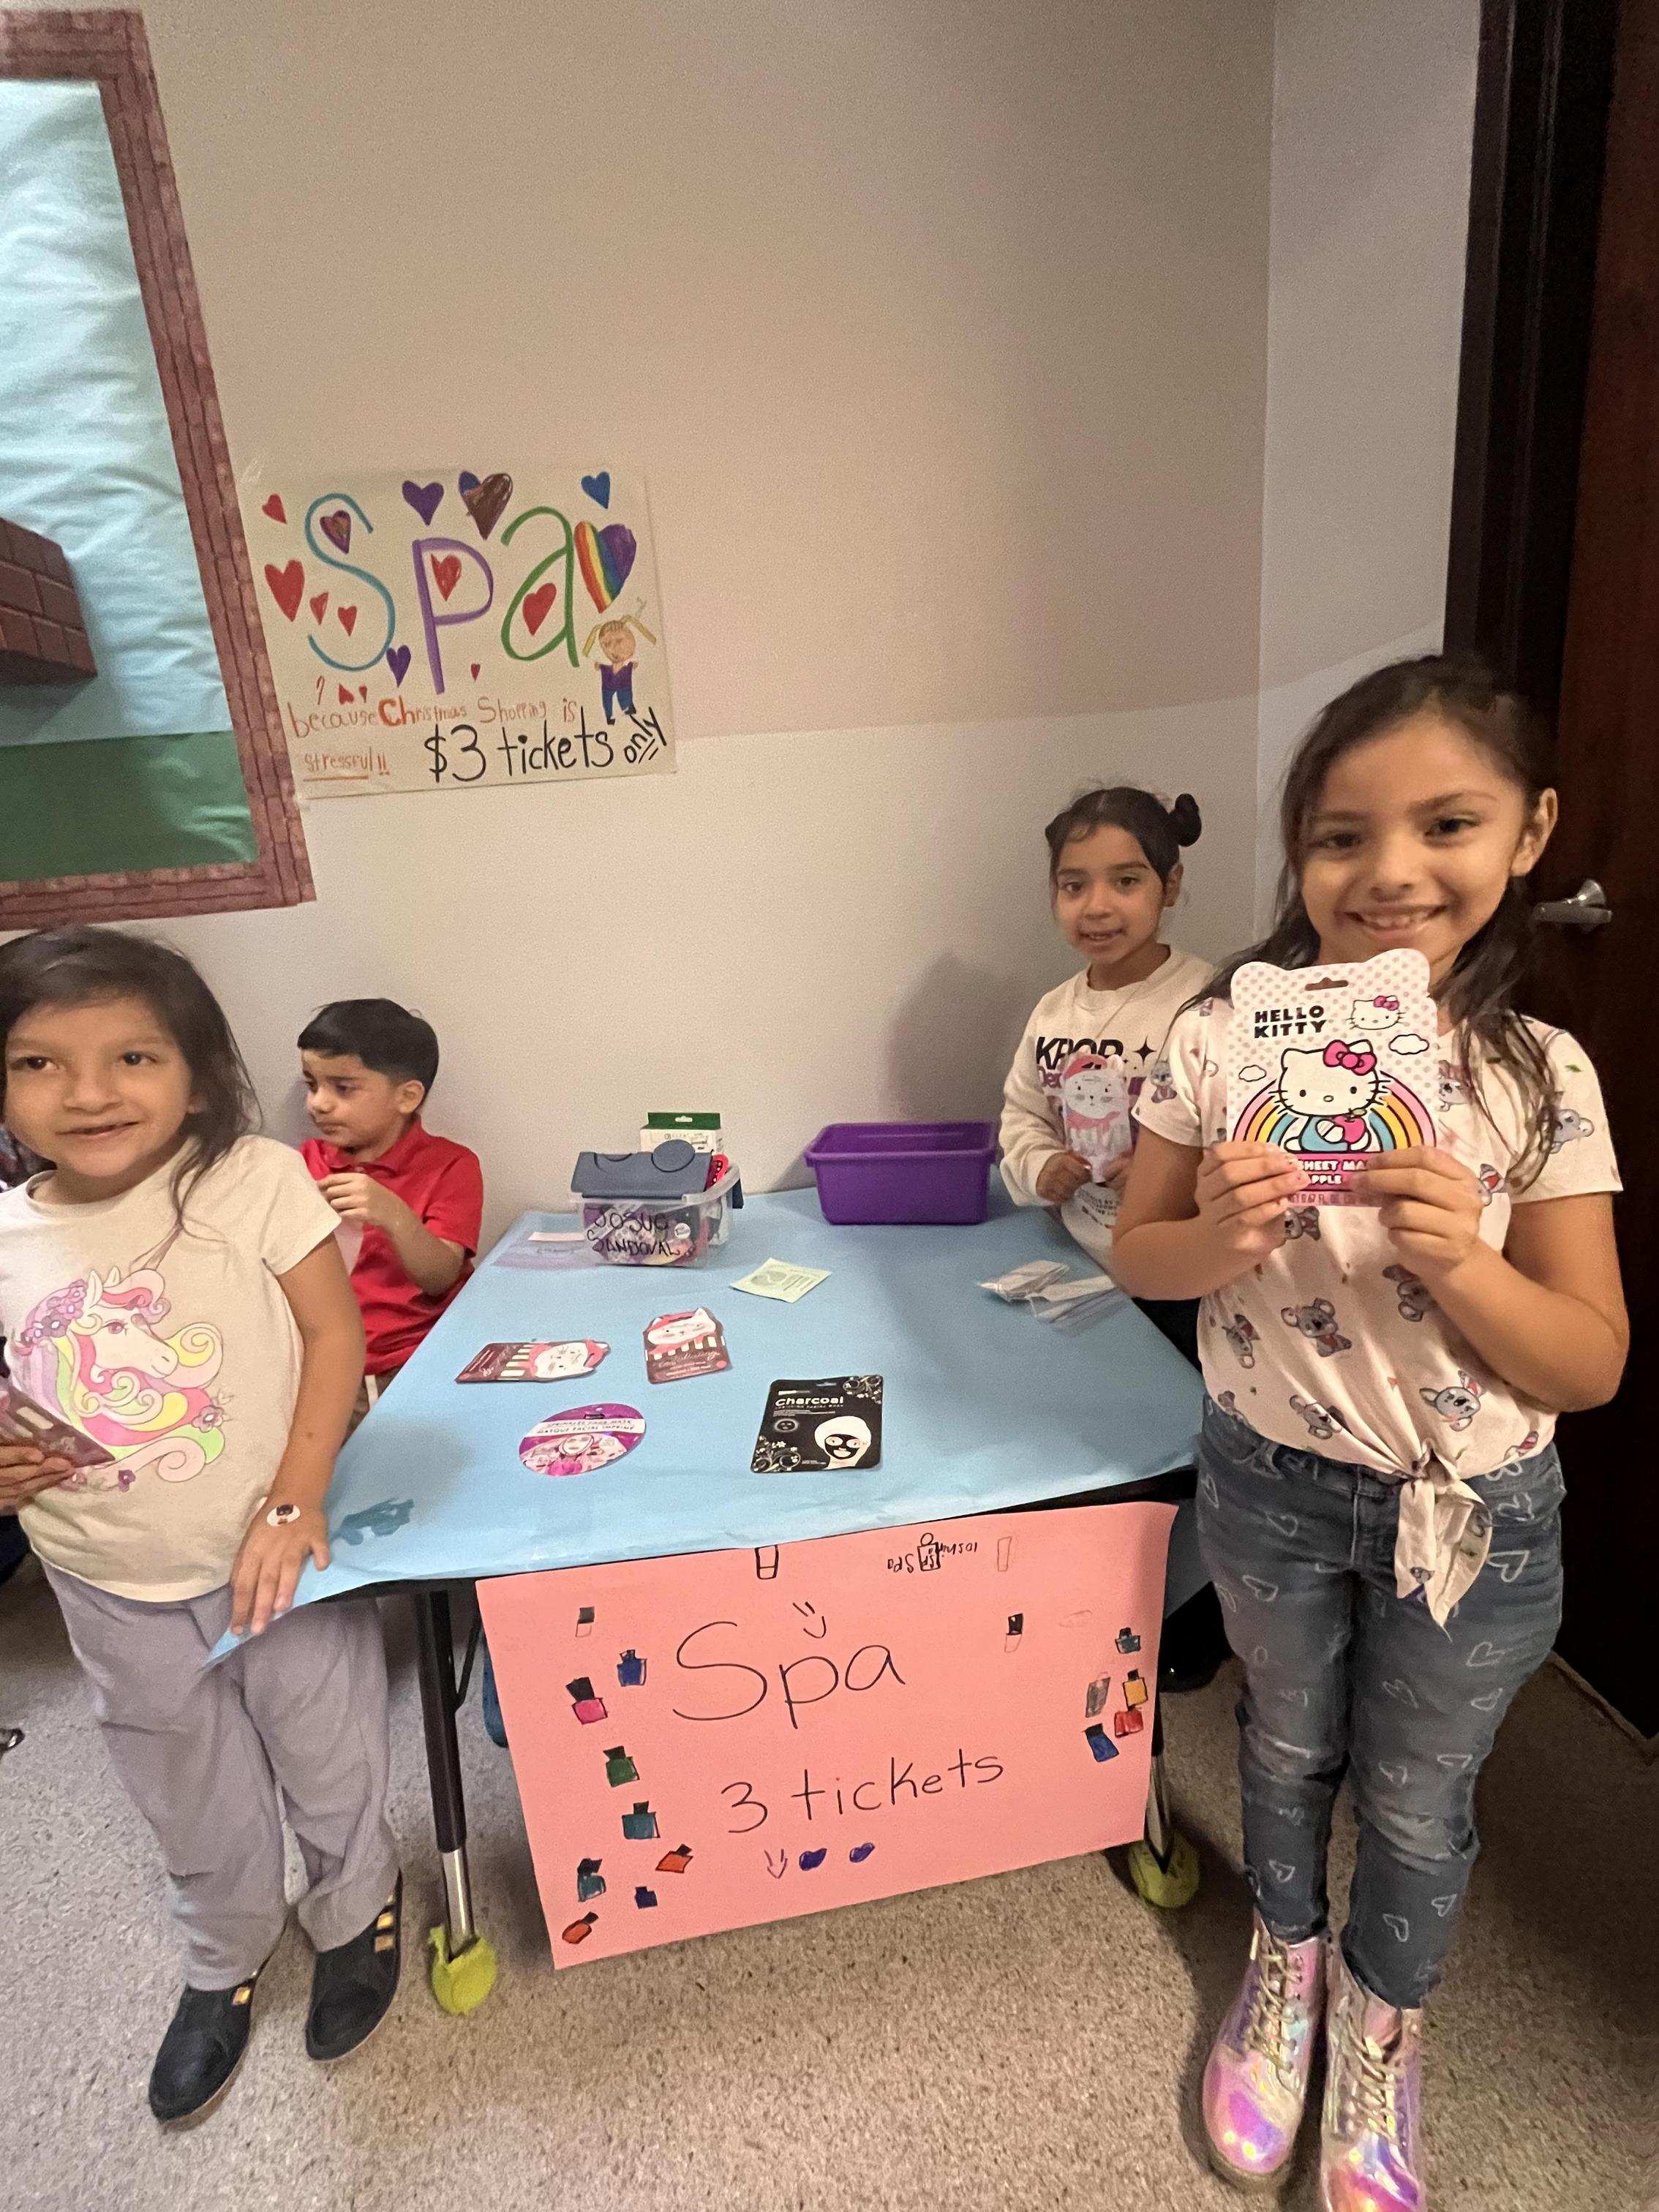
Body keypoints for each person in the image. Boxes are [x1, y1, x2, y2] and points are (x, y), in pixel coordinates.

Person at [1113, 656, 1626, 2208]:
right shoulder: (1217, 1041)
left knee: (1416, 1793)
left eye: (1446, 824)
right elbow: (1137, 1255)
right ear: (1297, 850)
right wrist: (1216, 1234)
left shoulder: (1539, 1076)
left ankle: (1384, 2022)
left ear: (1529, 832)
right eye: (1341, 835)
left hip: (1471, 1509)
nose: (1389, 871)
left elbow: (1590, 1359)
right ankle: (1286, 1967)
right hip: (1268, 1482)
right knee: (1282, 1744)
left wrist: (1463, 1257)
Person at [0, 928, 402, 2126]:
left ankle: (355, 1908)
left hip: (277, 1552)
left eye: (131, 1055)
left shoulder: (252, 1179)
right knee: (180, 1774)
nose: (88, 1092)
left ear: (194, 1073)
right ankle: (224, 1945)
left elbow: (335, 1335)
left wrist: (295, 1499)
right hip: (102, 1573)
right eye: (39, 1062)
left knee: (326, 1749)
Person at [296, 1000, 493, 1723]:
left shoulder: (450, 1166)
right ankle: (337, 1641)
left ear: (407, 1096)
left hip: (409, 1363)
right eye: (312, 1084)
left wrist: (391, 1213)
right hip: (322, 1368)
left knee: (421, 1504)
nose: (319, 1104)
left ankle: (450, 1607)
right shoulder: (302, 1166)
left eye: (342, 1087)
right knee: (328, 1510)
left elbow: (440, 1276)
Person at [999, 785, 1211, 1360]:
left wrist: (1163, 1178)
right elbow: (1024, 1114)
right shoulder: (1052, 1013)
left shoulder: (1208, 1004)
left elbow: (1245, 1138)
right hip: (1079, 1262)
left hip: (1184, 1276)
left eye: (1126, 881)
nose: (1096, 907)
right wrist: (1040, 1166)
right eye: (1074, 886)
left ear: (1170, 885)